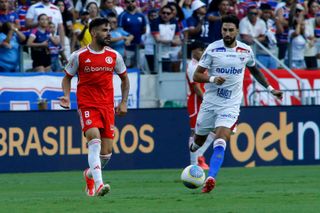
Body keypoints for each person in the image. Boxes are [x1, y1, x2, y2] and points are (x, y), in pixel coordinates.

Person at [190, 14, 283, 193]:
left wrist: (271, 89)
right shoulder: (212, 49)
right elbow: (196, 75)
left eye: (231, 30)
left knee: (221, 138)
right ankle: (194, 149)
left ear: (237, 31)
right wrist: (212, 78)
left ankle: (211, 177)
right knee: (198, 141)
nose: (227, 33)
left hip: (230, 104)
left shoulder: (245, 50)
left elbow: (255, 70)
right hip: (210, 103)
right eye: (224, 30)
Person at [60, 17, 130, 197]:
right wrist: (67, 96)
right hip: (87, 105)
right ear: (93, 32)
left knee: (106, 154)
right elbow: (67, 77)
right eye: (105, 30)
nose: (109, 33)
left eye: (109, 30)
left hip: (107, 106)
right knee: (94, 141)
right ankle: (99, 185)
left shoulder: (114, 56)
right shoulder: (79, 56)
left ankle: (90, 174)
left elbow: (124, 79)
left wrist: (123, 102)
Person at [186, 40, 214, 170]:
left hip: (203, 100)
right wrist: (206, 99)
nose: (202, 52)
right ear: (193, 51)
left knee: (213, 130)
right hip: (196, 102)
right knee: (195, 132)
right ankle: (194, 164)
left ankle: (199, 156)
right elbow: (196, 87)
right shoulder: (192, 66)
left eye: (203, 50)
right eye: (200, 50)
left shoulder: (201, 65)